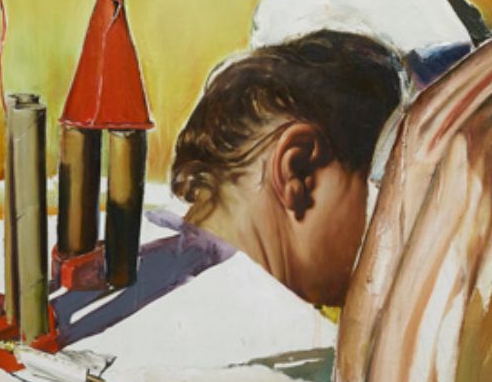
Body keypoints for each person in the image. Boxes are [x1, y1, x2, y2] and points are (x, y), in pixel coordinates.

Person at [169, 28, 406, 309]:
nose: (399, 235)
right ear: (299, 170)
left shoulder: (143, 276)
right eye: (383, 188)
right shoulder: (282, 331)